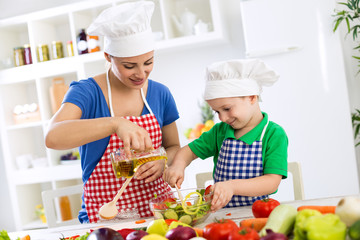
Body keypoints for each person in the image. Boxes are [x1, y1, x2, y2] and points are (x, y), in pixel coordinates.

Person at [45, 1, 180, 223]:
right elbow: (53, 137)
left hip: (160, 212)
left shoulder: (160, 93)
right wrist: (115, 123)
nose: (141, 74)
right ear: (108, 56)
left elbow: (174, 147)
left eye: (148, 62)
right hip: (107, 216)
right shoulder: (87, 92)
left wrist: (163, 160)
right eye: (129, 66)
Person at [164, 59, 288, 212]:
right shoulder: (220, 132)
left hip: (259, 213)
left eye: (227, 108)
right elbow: (188, 152)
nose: (222, 118)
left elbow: (271, 182)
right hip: (223, 214)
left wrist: (232, 186)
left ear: (251, 97)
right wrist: (177, 166)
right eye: (217, 112)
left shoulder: (273, 134)